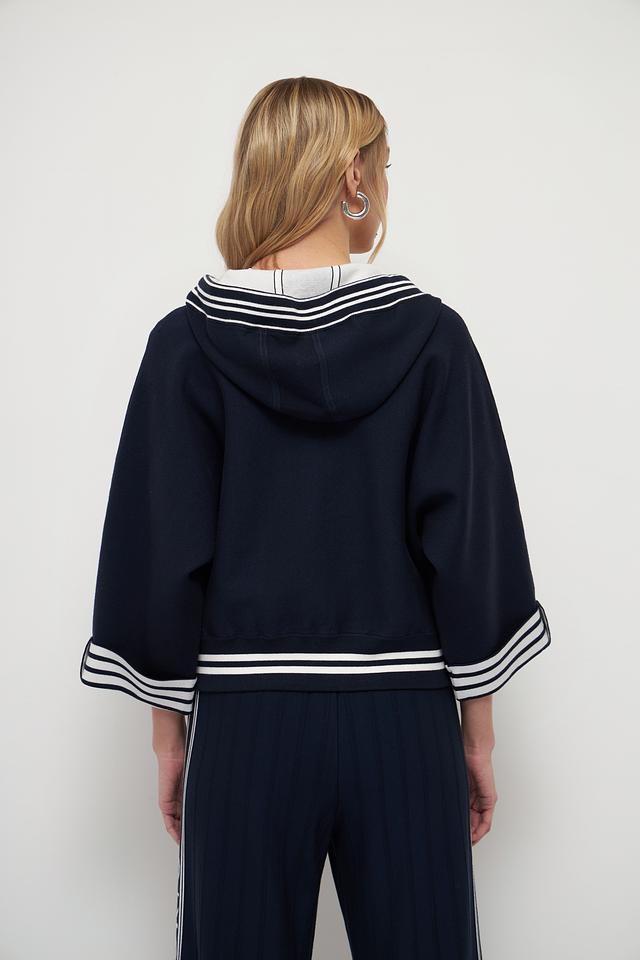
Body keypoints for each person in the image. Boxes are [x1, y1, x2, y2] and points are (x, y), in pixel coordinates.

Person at [80, 76, 551, 960]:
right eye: (384, 166)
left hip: (246, 722)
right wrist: (478, 737)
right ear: (351, 176)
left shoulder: (186, 345)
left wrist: (169, 741)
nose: (387, 185)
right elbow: (470, 544)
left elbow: (158, 552)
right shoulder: (433, 338)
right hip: (403, 719)